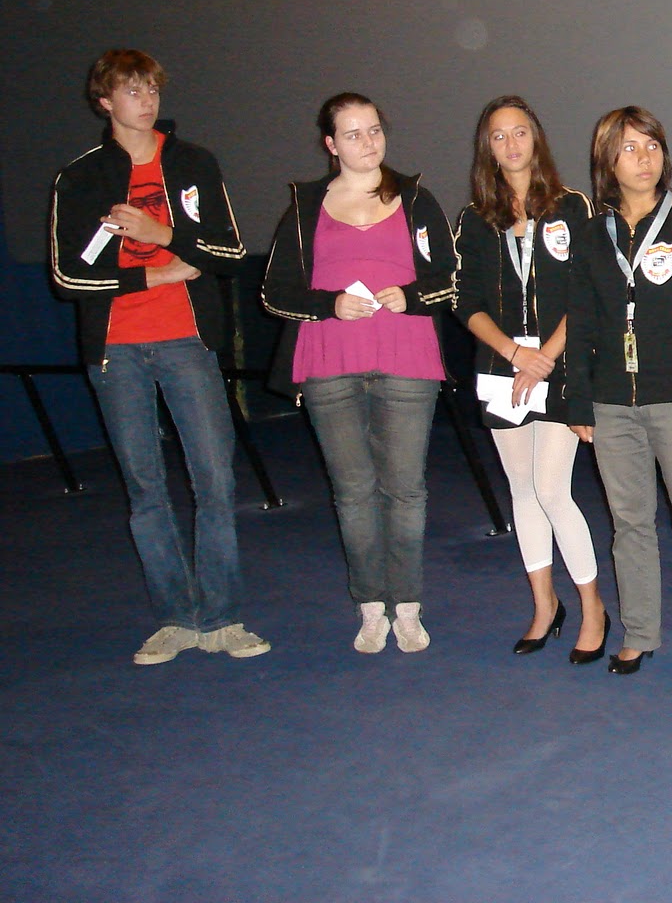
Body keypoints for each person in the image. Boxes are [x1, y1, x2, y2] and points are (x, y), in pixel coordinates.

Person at [49, 49, 268, 665]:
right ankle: (175, 618)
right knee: (145, 488)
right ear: (104, 102)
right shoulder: (80, 176)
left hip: (187, 342)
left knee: (215, 480)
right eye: (131, 91)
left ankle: (221, 618)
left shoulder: (194, 162)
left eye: (151, 89)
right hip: (115, 350)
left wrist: (162, 235)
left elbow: (229, 251)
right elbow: (68, 277)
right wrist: (154, 275)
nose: (146, 101)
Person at [262, 92, 457, 654]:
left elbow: (450, 276)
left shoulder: (416, 199)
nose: (368, 142)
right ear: (331, 145)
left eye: (374, 130)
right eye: (352, 134)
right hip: (328, 361)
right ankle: (371, 606)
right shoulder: (305, 206)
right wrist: (328, 305)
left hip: (407, 359)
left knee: (406, 490)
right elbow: (274, 292)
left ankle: (408, 606)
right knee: (352, 493)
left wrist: (410, 295)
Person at [565, 107, 672, 680]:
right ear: (607, 161)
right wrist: (578, 400)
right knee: (630, 523)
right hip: (611, 403)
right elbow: (581, 321)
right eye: (630, 148)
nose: (644, 158)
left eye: (652, 145)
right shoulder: (593, 234)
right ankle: (638, 632)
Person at [454, 96, 609, 663]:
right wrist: (513, 352)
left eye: (520, 132)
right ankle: (545, 605)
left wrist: (543, 356)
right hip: (502, 369)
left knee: (551, 489)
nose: (511, 144)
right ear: (487, 148)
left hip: (562, 364)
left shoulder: (572, 207)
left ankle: (593, 606)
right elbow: (466, 301)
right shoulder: (475, 218)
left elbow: (587, 292)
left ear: (536, 138)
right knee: (521, 490)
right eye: (499, 136)